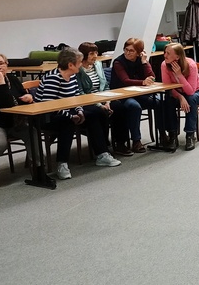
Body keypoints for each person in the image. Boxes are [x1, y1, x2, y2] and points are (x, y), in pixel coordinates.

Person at [35, 48, 121, 180]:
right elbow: (48, 105)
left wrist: (80, 111)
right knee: (67, 122)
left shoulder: (72, 76)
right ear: (70, 65)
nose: (81, 64)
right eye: (79, 62)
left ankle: (102, 154)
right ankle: (62, 164)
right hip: (48, 116)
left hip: (67, 110)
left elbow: (76, 97)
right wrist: (71, 116)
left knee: (96, 113)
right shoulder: (53, 78)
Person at [0, 53, 53, 188]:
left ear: (6, 64)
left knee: (33, 133)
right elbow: (7, 103)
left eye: (1, 63)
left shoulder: (13, 79)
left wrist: (28, 97)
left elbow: (20, 96)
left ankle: (39, 171)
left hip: (13, 122)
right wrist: (1, 82)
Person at [108, 38, 157, 155]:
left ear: (139, 52)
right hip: (122, 95)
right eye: (126, 49)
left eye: (131, 51)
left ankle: (165, 135)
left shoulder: (141, 60)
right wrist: (143, 82)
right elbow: (125, 80)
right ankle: (136, 140)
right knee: (134, 107)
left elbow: (152, 77)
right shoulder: (118, 62)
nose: (128, 53)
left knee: (159, 102)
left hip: (138, 93)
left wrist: (145, 63)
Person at [160, 43, 199, 150]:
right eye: (165, 52)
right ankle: (172, 135)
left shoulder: (190, 65)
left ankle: (190, 135)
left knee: (191, 99)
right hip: (177, 93)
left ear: (177, 57)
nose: (165, 55)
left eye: (168, 53)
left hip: (198, 92)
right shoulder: (164, 65)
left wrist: (179, 75)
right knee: (167, 99)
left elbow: (190, 91)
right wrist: (181, 97)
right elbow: (168, 88)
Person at [76, 42, 114, 150]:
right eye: (92, 53)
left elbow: (105, 85)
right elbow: (81, 93)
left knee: (121, 107)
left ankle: (120, 143)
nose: (95, 56)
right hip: (88, 101)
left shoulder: (98, 64)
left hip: (102, 97)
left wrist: (108, 102)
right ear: (84, 55)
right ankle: (103, 145)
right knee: (100, 112)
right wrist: (99, 105)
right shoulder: (78, 69)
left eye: (96, 53)